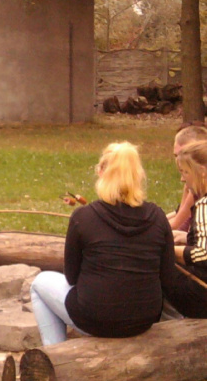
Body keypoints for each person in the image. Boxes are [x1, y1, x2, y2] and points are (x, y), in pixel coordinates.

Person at [30, 142, 177, 345]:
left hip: (96, 317)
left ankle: (54, 355)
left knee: (39, 283)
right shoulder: (158, 217)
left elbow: (71, 277)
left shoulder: (83, 216)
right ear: (138, 176)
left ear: (101, 172)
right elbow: (167, 276)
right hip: (144, 318)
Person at [165, 139, 207, 318]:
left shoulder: (204, 205)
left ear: (202, 172)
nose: (182, 178)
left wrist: (167, 251)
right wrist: (186, 237)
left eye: (185, 172)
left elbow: (203, 255)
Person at [168, 124, 207, 241]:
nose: (178, 160)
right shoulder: (190, 185)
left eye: (184, 154)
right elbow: (179, 213)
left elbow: (177, 224)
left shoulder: (198, 187)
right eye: (176, 155)